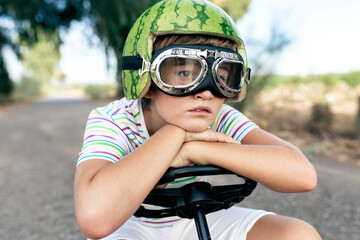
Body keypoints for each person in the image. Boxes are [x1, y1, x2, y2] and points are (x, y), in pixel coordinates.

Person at [74, 0, 322, 239]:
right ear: (146, 81)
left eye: (222, 76)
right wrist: (174, 135)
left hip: (198, 219)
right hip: (130, 225)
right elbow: (94, 219)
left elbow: (303, 175)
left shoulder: (220, 117)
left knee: (298, 235)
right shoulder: (113, 120)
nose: (206, 91)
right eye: (184, 73)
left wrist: (196, 150)